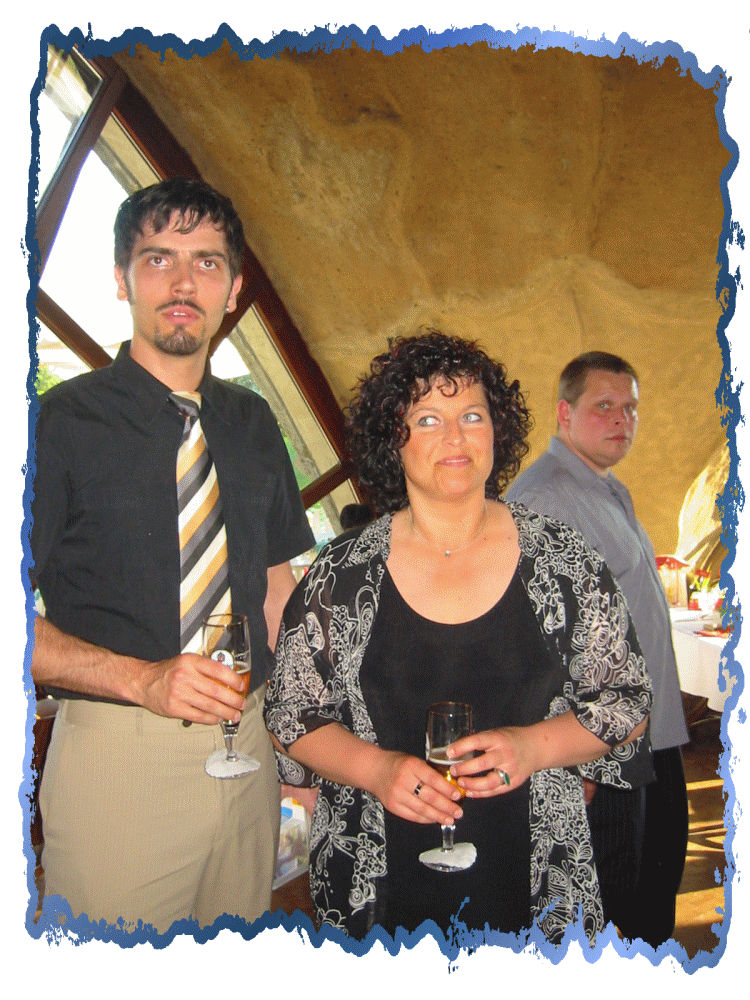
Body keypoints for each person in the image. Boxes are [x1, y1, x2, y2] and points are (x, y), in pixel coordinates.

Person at [264, 331, 653, 943]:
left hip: (539, 880)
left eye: (472, 415)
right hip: (373, 880)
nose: (454, 437)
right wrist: (377, 769)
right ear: (392, 439)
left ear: (497, 431)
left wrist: (533, 747)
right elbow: (292, 715)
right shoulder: (340, 575)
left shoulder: (564, 561)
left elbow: (626, 702)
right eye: (427, 419)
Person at [30, 177, 315, 934]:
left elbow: (278, 593)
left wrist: (299, 741)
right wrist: (144, 679)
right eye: (158, 259)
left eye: (207, 262)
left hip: (250, 746)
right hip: (119, 756)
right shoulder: (54, 426)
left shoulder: (253, 421)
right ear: (121, 279)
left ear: (234, 290)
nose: (184, 283)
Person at [505, 351, 689, 947]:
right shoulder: (546, 498)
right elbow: (534, 635)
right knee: (614, 908)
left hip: (648, 733)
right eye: (603, 406)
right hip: (603, 748)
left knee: (653, 889)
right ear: (564, 414)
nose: (620, 419)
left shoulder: (602, 487)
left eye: (629, 408)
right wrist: (577, 758)